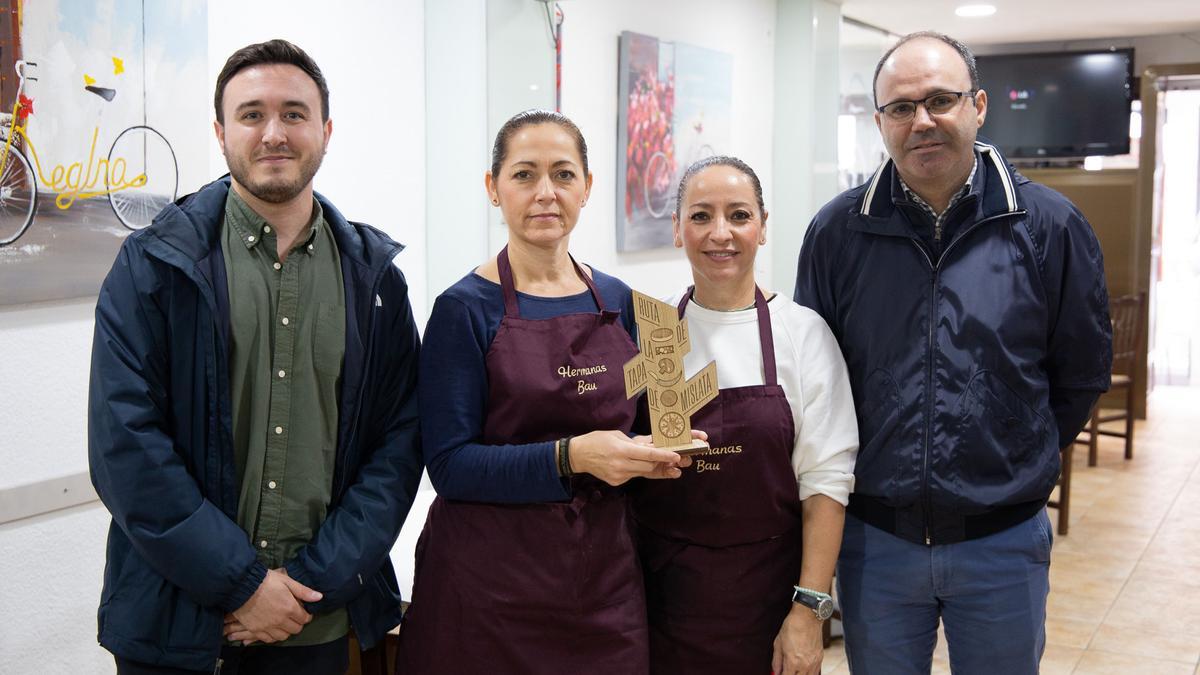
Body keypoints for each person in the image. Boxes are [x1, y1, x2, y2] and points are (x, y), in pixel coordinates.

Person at [88, 39, 423, 675]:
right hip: (179, 625)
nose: (274, 133)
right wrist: (242, 583)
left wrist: (305, 586)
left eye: (294, 114)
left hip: (314, 619)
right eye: (251, 115)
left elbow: (398, 445)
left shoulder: (375, 283)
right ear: (220, 133)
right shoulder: (154, 266)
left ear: (326, 131)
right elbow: (125, 447)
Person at [794, 31, 1113, 674]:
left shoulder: (1048, 225)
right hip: (875, 541)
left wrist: (1015, 459)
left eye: (941, 100)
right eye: (901, 107)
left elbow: (1080, 373)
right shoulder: (836, 232)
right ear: (879, 120)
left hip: (1002, 542)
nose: (923, 121)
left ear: (979, 106)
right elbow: (814, 383)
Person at [394, 109, 691, 674]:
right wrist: (572, 456)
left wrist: (666, 450)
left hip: (602, 586)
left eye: (563, 174)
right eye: (524, 175)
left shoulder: (626, 303)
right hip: (488, 594)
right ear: (493, 188)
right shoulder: (462, 311)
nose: (545, 193)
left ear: (587, 187)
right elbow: (450, 466)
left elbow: (656, 423)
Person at [634, 156, 858, 675]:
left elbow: (826, 483)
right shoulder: (654, 330)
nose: (720, 234)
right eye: (700, 216)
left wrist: (808, 612)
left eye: (738, 215)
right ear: (676, 229)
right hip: (660, 596)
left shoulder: (802, 334)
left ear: (761, 228)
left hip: (768, 601)